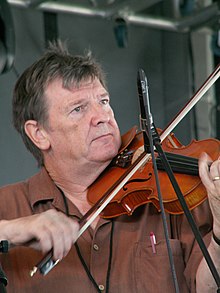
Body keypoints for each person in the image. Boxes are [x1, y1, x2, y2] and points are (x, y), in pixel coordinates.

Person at [0, 40, 218, 293]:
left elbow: (206, 287)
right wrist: (9, 230)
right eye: (78, 109)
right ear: (39, 134)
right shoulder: (8, 206)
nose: (102, 116)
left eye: (103, 101)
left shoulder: (169, 195)